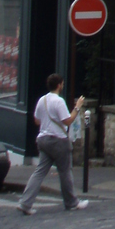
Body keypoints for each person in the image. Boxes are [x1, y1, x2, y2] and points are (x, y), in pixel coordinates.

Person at [17, 73, 88, 214]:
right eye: (62, 83)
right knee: (65, 171)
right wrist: (77, 107)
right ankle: (71, 203)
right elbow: (67, 120)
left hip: (43, 139)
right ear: (59, 85)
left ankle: (25, 203)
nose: (62, 86)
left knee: (39, 172)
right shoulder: (58, 101)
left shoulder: (42, 100)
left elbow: (37, 121)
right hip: (58, 140)